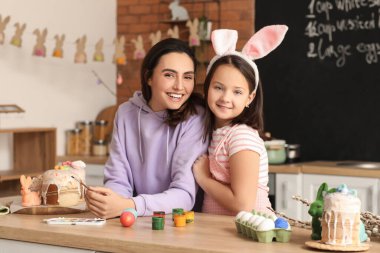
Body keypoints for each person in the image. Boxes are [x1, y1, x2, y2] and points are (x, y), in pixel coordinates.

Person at [85, 38, 208, 218]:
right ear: (149, 77)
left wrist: (129, 205)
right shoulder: (126, 113)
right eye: (169, 75)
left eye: (187, 77)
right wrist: (109, 201)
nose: (180, 86)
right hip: (138, 219)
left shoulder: (196, 118)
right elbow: (118, 178)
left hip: (182, 222)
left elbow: (184, 195)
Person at [192, 26, 288, 216]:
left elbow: (242, 204)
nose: (225, 98)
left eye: (237, 92)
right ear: (207, 88)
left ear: (249, 98)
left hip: (248, 236)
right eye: (218, 87)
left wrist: (204, 178)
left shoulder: (241, 136)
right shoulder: (218, 132)